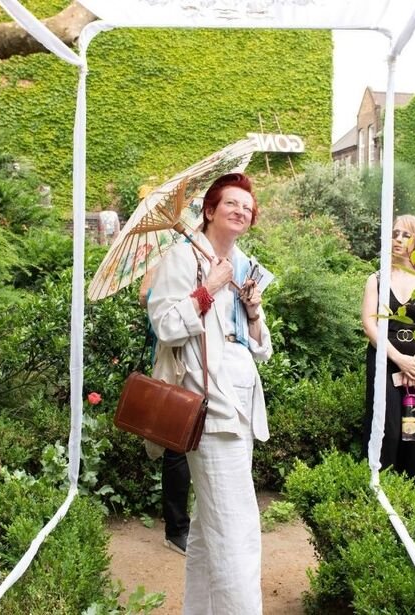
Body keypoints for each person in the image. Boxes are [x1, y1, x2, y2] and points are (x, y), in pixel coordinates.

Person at [147, 172, 271, 615]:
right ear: (210, 210)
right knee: (236, 525)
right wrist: (208, 288)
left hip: (242, 401)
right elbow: (165, 324)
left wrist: (254, 311)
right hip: (208, 403)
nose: (241, 210)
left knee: (207, 525)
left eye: (247, 207)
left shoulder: (245, 264)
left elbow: (260, 347)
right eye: (231, 203)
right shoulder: (182, 259)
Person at [361, 214, 415, 485]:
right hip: (386, 360)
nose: (398, 239)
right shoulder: (377, 279)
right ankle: (382, 485)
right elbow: (369, 324)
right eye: (395, 234)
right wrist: (399, 359)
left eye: (406, 235)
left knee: (414, 428)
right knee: (387, 428)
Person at [139, 268, 191, 557]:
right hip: (174, 360)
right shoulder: (168, 258)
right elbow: (144, 296)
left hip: (207, 364)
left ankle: (189, 524)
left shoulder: (213, 256)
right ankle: (176, 529)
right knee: (176, 446)